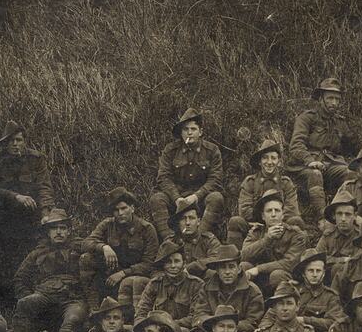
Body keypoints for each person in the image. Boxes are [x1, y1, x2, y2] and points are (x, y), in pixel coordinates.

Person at [8, 209, 89, 332]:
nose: (58, 232)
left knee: (73, 317)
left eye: (63, 228)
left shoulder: (81, 247)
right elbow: (20, 278)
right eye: (54, 228)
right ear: (48, 232)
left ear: (69, 231)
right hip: (45, 294)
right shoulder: (38, 252)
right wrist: (29, 295)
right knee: (25, 303)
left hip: (73, 297)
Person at [0, 125, 55, 268]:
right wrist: (15, 196)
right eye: (11, 141)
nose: (15, 144)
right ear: (5, 143)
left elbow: (44, 187)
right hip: (3, 210)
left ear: (25, 141)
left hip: (29, 210)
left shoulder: (36, 159)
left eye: (19, 140)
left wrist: (46, 213)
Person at [150, 108, 226, 241]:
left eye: (193, 129)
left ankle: (198, 240)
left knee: (216, 197)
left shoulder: (212, 150)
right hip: (177, 199)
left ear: (200, 132)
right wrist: (176, 198)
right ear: (181, 132)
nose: (189, 133)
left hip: (200, 198)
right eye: (185, 129)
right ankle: (170, 242)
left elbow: (215, 179)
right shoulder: (170, 150)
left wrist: (197, 196)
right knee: (157, 199)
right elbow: (163, 177)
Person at [288, 77, 355, 216]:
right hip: (304, 166)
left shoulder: (339, 122)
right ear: (321, 99)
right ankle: (322, 217)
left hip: (331, 165)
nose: (334, 103)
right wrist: (310, 160)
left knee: (350, 174)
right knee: (315, 174)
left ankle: (342, 212)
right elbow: (296, 145)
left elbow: (355, 145)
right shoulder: (307, 118)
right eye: (330, 98)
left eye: (337, 99)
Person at [80, 187, 160, 304]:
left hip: (135, 274)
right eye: (116, 210)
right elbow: (86, 243)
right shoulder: (108, 224)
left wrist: (123, 273)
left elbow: (149, 263)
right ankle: (93, 307)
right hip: (110, 274)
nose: (120, 213)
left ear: (132, 208)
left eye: (124, 208)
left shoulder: (146, 229)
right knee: (86, 258)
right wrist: (104, 247)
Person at [231, 139, 302, 247]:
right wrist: (264, 223)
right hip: (255, 227)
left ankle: (292, 255)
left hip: (281, 226)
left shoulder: (285, 183)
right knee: (235, 221)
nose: (269, 162)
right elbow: (244, 210)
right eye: (265, 158)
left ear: (279, 161)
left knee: (296, 221)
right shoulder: (250, 182)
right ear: (260, 161)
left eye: (273, 158)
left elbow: (292, 209)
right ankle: (238, 256)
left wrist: (274, 222)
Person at [239, 194, 309, 294]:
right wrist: (267, 239)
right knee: (244, 266)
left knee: (277, 275)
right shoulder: (256, 232)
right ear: (263, 216)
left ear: (283, 215)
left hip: (282, 278)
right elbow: (244, 255)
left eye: (277, 210)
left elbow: (290, 263)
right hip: (260, 278)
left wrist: (259, 269)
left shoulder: (295, 234)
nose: (273, 214)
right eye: (269, 211)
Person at [132, 242, 201, 332]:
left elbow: (195, 316)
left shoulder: (195, 284)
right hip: (157, 331)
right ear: (163, 265)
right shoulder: (155, 284)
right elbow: (141, 312)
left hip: (181, 330)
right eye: (168, 262)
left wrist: (169, 324)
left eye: (177, 261)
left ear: (184, 264)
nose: (173, 266)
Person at [199, 244, 265, 332]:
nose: (227, 272)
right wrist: (217, 326)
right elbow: (200, 314)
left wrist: (230, 327)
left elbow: (253, 322)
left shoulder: (252, 290)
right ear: (217, 271)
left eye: (231, 267)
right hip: (213, 331)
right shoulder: (206, 289)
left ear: (239, 269)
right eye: (223, 267)